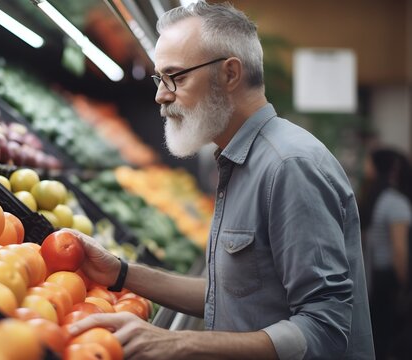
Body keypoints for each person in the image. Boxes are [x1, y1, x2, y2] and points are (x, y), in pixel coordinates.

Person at [64, 2, 375, 359]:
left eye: (175, 77)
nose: (160, 95)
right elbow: (228, 295)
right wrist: (120, 272)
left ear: (229, 74)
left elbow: (325, 329)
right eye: (159, 78)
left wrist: (177, 342)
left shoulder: (289, 165)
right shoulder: (238, 162)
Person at [359, 148, 411, 359]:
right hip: (388, 279)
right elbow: (399, 250)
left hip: (370, 278)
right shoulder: (395, 202)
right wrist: (404, 285)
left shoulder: (373, 199)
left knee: (377, 338)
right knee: (392, 339)